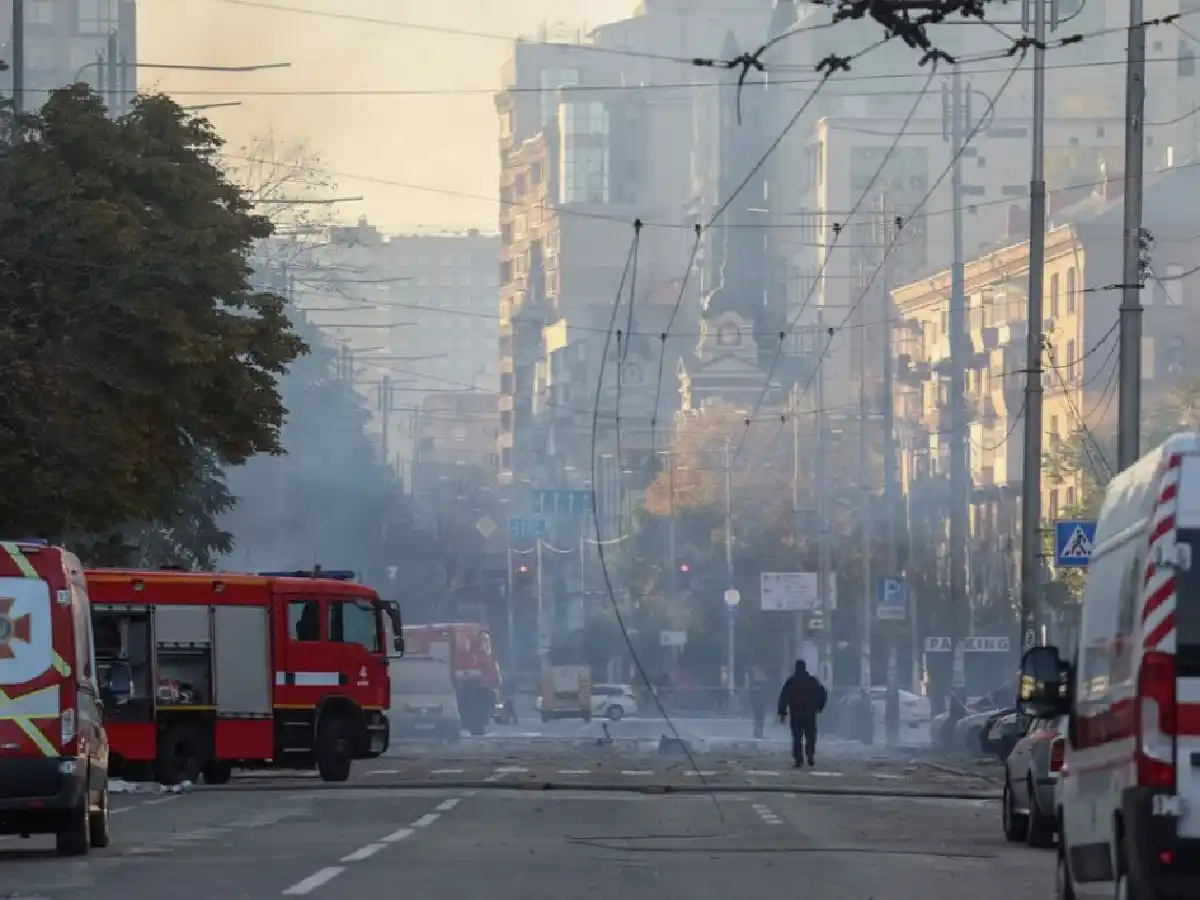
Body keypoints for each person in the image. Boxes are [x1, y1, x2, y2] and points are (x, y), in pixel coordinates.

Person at [777, 659, 828, 768]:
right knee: (810, 736)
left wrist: (782, 712)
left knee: (797, 737)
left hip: (796, 714)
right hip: (810, 713)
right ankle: (810, 755)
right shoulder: (812, 681)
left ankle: (798, 759)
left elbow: (784, 697)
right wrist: (819, 707)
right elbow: (822, 693)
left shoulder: (791, 681)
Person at [749, 666, 768, 738]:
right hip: (757, 699)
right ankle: (757, 733)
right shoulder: (753, 671)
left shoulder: (760, 672)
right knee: (758, 716)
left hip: (760, 699)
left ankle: (759, 733)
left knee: (760, 716)